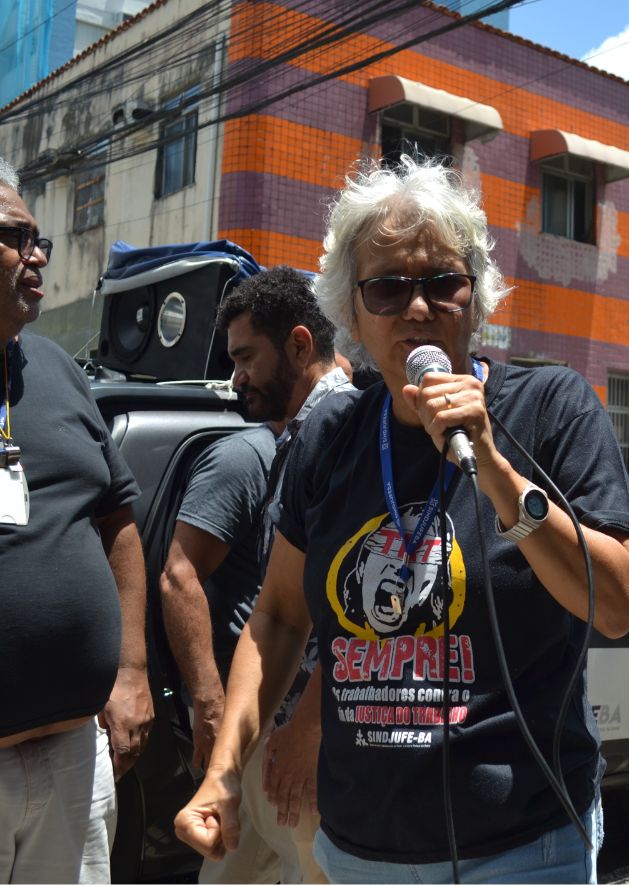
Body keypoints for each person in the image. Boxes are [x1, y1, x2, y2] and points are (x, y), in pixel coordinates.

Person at [174, 156, 629, 884]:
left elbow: (615, 605)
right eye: (388, 289)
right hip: (357, 849)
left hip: (522, 847)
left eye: (442, 283)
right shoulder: (331, 437)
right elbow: (277, 619)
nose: (418, 308)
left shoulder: (549, 409)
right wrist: (226, 769)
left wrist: (492, 467)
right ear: (352, 311)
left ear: (476, 295)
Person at [160, 266, 350, 884]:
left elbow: (368, 610)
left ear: (300, 345)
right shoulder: (296, 434)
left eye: (246, 357)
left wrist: (310, 727)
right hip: (275, 727)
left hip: (318, 746)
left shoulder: (341, 427)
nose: (235, 376)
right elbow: (278, 613)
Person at [0, 157, 154, 881]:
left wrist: (130, 668)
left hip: (73, 757)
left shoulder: (57, 369)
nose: (37, 257)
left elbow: (117, 524)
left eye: (41, 242)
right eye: (14, 238)